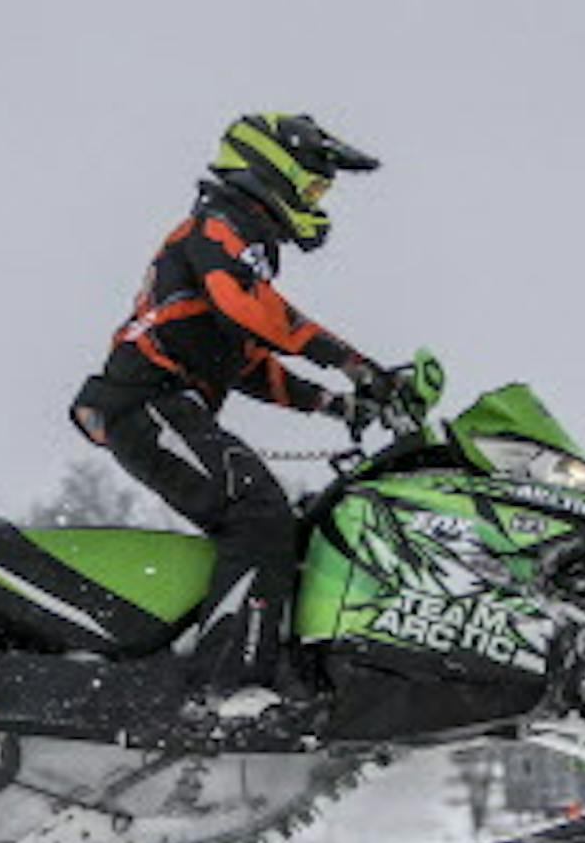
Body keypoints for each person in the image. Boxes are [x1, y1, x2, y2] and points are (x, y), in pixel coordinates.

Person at [69, 113, 388, 719]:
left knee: (274, 518)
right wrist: (352, 363)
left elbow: (246, 363)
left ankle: (258, 668)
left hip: (168, 403)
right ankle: (224, 688)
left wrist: (337, 403)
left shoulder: (243, 242)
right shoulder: (219, 225)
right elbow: (250, 308)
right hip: (146, 400)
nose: (318, 201)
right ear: (273, 171)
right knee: (256, 511)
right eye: (313, 186)